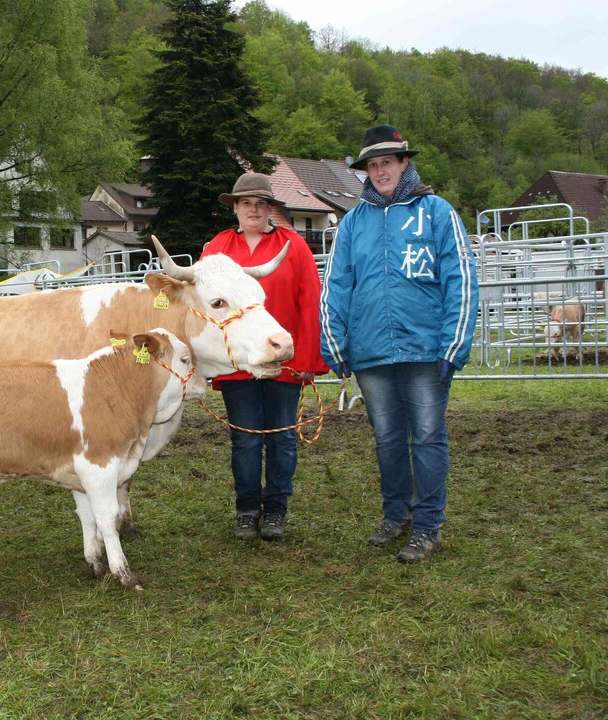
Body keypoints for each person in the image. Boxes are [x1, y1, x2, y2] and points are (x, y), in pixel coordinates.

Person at [319, 125, 479, 563]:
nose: (380, 171)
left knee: (427, 437)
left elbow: (460, 279)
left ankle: (428, 526)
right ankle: (396, 515)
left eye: (387, 162)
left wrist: (454, 343)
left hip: (425, 350)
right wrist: (334, 343)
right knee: (387, 438)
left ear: (405, 162)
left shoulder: (438, 213)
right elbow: (336, 284)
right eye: (372, 165)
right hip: (371, 353)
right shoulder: (353, 224)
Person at [202, 172, 328, 541]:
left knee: (282, 438)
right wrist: (210, 359)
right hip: (237, 360)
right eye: (246, 203)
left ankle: (275, 511)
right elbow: (206, 307)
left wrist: (308, 358)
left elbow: (310, 301)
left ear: (270, 208)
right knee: (245, 438)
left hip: (284, 358)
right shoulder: (217, 248)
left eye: (261, 203)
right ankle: (246, 510)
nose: (253, 210)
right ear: (235, 208)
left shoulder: (294, 245)